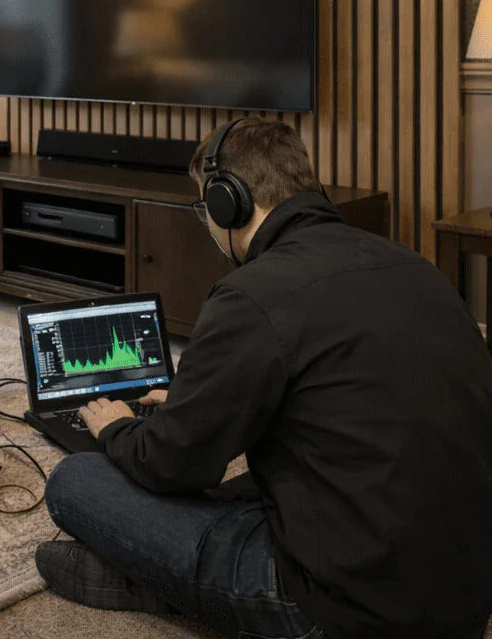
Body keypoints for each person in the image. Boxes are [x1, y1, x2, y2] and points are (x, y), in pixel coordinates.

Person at [35, 118, 492, 639]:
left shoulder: (251, 294)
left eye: (204, 208)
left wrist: (117, 427)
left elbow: (172, 465)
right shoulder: (415, 266)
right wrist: (200, 394)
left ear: (228, 201)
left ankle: (159, 584)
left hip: (338, 611)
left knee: (77, 481)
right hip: (465, 598)